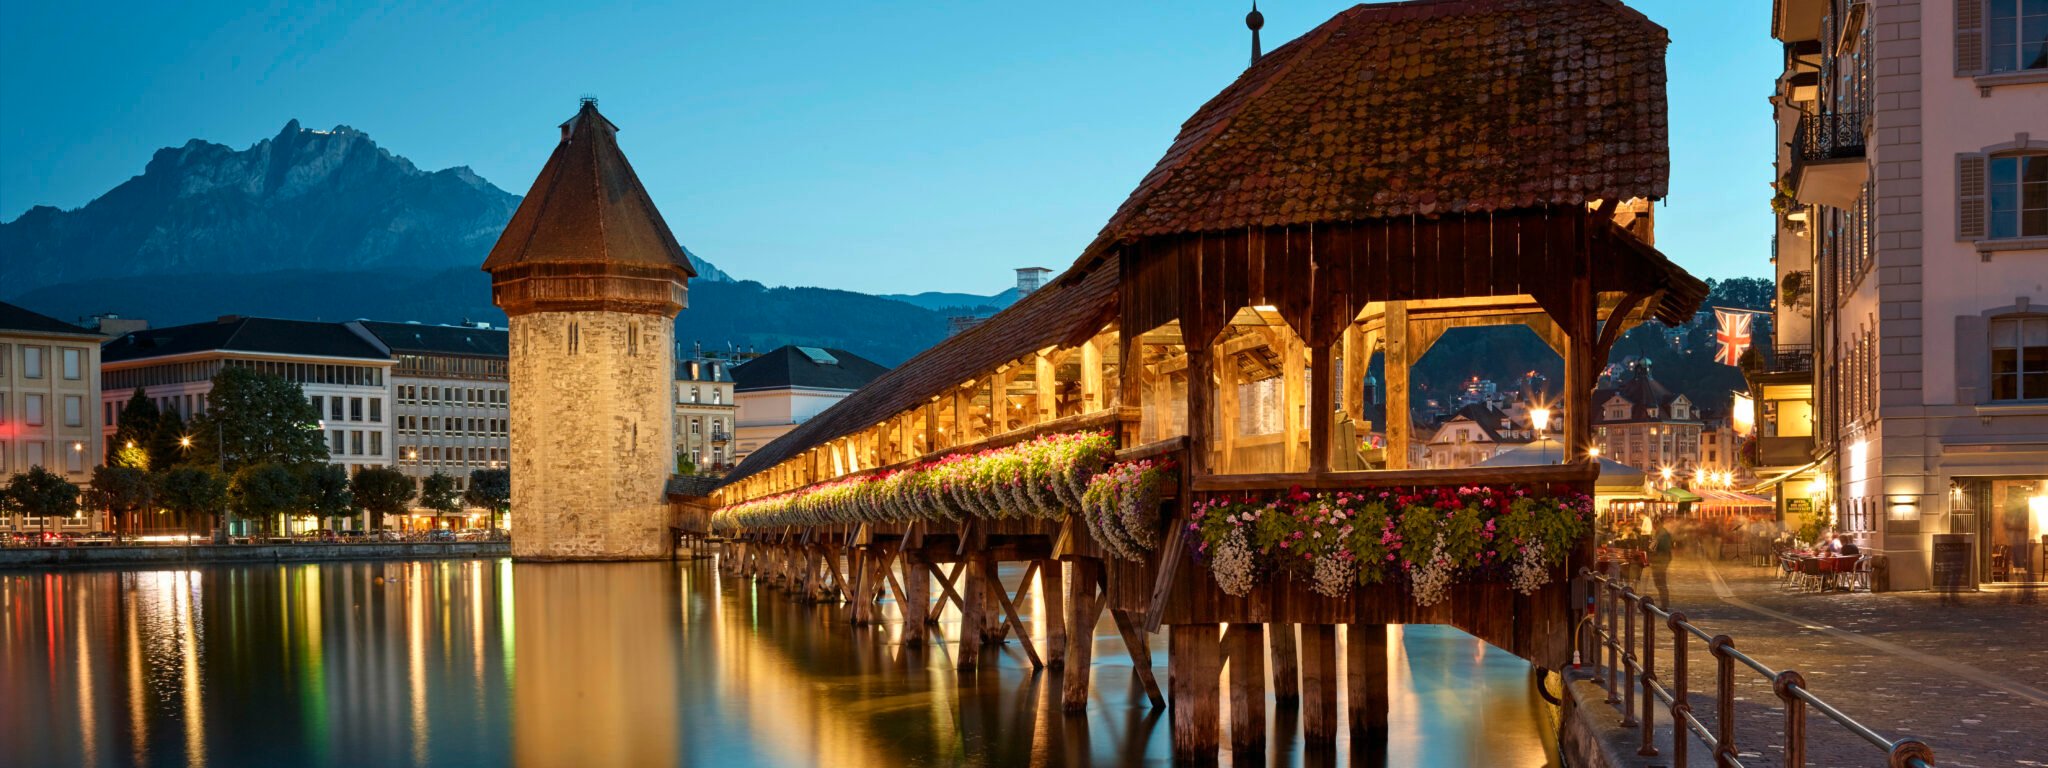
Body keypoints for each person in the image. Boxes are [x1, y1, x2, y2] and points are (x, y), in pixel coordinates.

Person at [1647, 518, 1676, 606]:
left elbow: (1654, 547)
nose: (1653, 527)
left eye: (1654, 525)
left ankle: (1664, 604)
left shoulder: (1661, 534)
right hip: (1661, 560)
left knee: (1660, 582)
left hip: (1660, 561)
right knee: (1660, 583)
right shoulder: (1663, 533)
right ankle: (1664, 603)